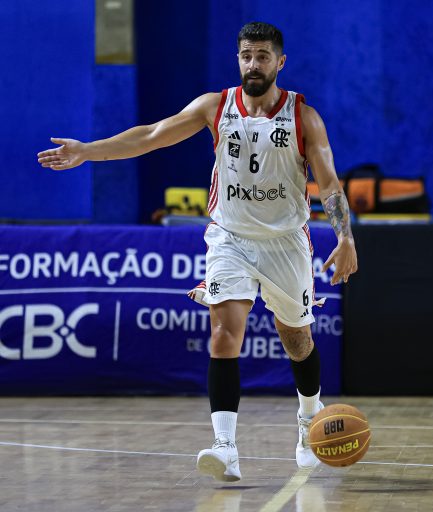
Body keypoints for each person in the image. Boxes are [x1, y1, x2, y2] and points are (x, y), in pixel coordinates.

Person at [37, 22, 358, 482]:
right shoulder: (215, 106)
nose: (253, 64)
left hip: (285, 241)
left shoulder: (303, 118)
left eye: (263, 56)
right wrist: (89, 150)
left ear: (280, 62)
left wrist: (345, 238)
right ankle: (225, 447)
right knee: (224, 334)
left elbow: (328, 185)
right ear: (238, 59)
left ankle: (309, 418)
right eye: (246, 55)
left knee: (297, 340)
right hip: (230, 238)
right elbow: (152, 135)